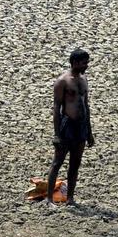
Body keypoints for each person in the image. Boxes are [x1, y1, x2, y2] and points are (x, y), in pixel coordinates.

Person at [46, 49, 95, 206]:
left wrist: (89, 132)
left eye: (87, 62)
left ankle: (70, 198)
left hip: (81, 127)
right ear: (74, 62)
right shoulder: (63, 81)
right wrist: (57, 134)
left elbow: (86, 106)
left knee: (75, 163)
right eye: (83, 63)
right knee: (57, 162)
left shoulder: (84, 79)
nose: (86, 65)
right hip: (68, 125)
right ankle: (49, 199)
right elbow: (57, 108)